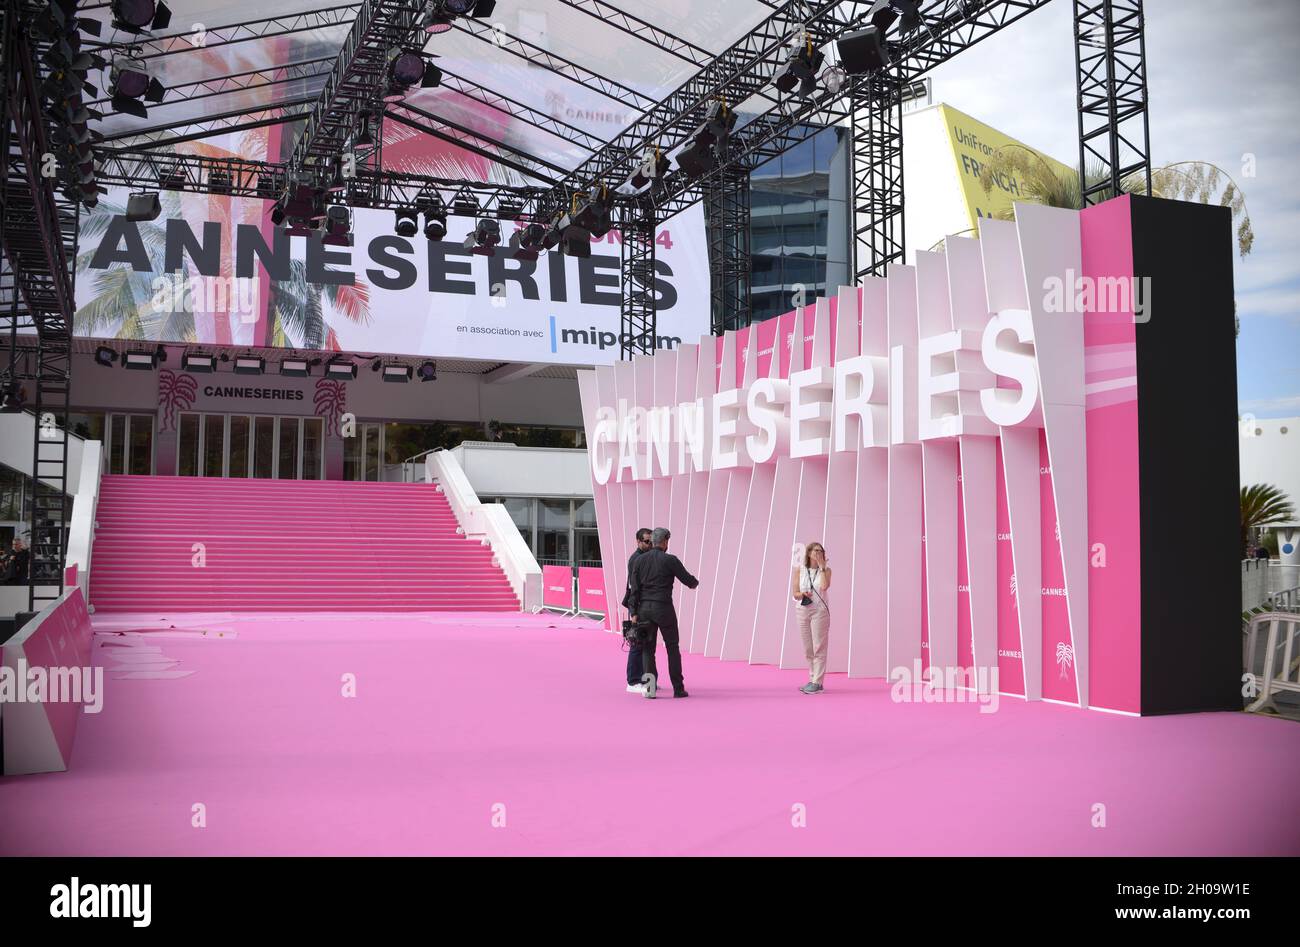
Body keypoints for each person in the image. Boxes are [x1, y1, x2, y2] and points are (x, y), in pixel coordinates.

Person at [627, 527, 699, 699]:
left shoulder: (639, 561)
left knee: (647, 650)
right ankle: (678, 688)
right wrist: (695, 582)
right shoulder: (670, 560)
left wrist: (633, 611)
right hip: (664, 608)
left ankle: (650, 689)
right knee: (672, 648)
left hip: (644, 609)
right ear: (665, 542)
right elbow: (688, 581)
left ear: (652, 542)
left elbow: (634, 589)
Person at [791, 541, 831, 694]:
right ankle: (813, 679)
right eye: (815, 551)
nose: (818, 553)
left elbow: (825, 586)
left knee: (819, 646)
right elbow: (795, 593)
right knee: (808, 648)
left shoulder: (826, 570)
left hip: (820, 611)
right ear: (808, 553)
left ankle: (817, 682)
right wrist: (802, 594)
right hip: (802, 610)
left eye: (821, 551)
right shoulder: (799, 570)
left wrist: (822, 568)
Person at [622, 527, 653, 693]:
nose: (650, 544)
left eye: (651, 541)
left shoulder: (644, 557)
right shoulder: (636, 559)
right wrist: (634, 612)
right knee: (637, 642)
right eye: (647, 541)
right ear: (638, 541)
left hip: (642, 605)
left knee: (644, 642)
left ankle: (643, 678)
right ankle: (633, 681)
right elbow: (635, 588)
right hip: (638, 606)